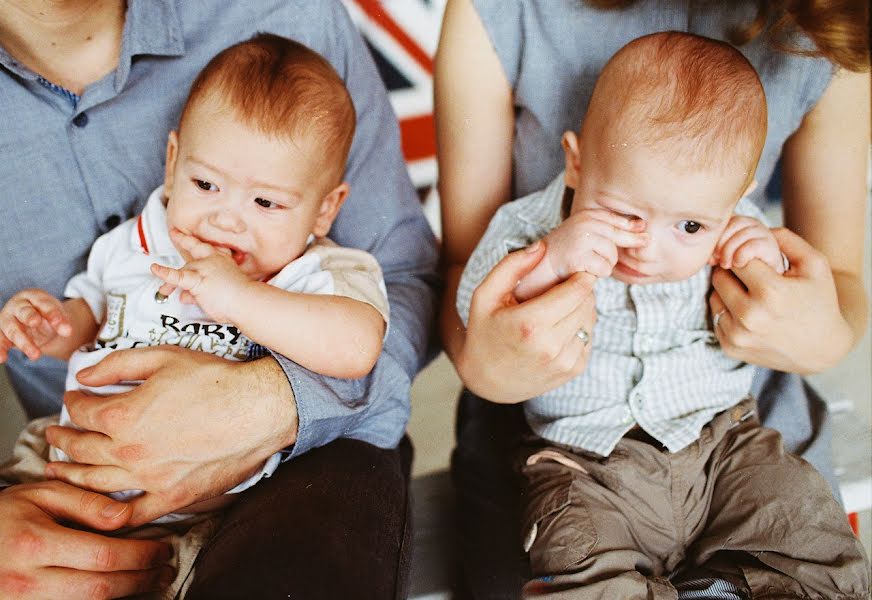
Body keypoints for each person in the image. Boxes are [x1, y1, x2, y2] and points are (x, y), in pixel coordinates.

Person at [0, 1, 438, 598]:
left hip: (230, 499)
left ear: (326, 210)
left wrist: (244, 321)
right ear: (173, 161)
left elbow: (361, 340)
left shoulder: (314, 269)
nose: (226, 221)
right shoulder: (140, 239)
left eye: (265, 205)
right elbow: (92, 310)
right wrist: (53, 325)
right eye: (205, 186)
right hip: (67, 469)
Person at [434, 0, 869, 597]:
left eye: (689, 227)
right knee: (582, 571)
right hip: (581, 455)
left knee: (809, 547)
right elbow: (471, 284)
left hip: (730, 437)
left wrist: (789, 289)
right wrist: (550, 264)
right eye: (625, 214)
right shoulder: (534, 230)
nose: (649, 248)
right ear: (575, 162)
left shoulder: (733, 220)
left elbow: (835, 278)